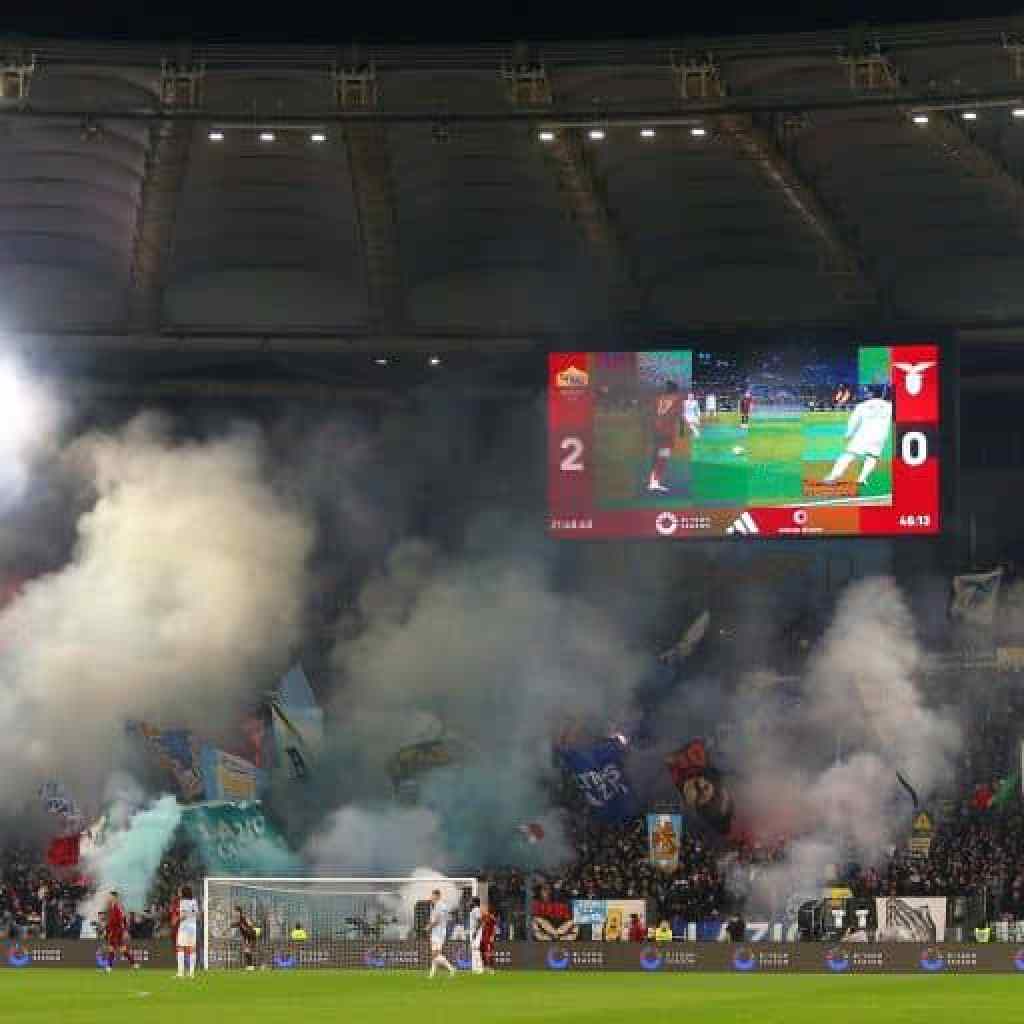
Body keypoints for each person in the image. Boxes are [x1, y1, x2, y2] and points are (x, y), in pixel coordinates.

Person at [823, 383, 892, 487]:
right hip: (880, 436)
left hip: (864, 435)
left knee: (849, 455)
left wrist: (848, 434)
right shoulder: (889, 406)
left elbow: (853, 422)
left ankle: (832, 477)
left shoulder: (862, 406)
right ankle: (862, 479)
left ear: (871, 393)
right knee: (872, 457)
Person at [647, 380, 683, 493]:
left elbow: (653, 413)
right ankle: (655, 483)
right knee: (663, 457)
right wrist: (681, 431)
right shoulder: (677, 400)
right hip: (667, 433)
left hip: (656, 431)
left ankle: (652, 481)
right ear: (675, 391)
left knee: (656, 456)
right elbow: (679, 416)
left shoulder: (659, 398)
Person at [426, 888, 456, 978]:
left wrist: (429, 927)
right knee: (434, 954)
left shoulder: (441, 906)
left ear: (437, 896)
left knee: (435, 954)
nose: (431, 897)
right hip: (435, 932)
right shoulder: (435, 905)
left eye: (433, 895)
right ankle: (431, 974)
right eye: (431, 895)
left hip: (439, 932)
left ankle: (451, 969)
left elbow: (438, 920)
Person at [104, 891, 137, 972]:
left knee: (113, 948)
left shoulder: (118, 907)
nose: (109, 898)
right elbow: (111, 920)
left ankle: (109, 967)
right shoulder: (111, 907)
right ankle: (134, 964)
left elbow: (122, 920)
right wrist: (107, 928)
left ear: (115, 898)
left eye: (110, 896)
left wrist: (124, 931)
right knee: (121, 949)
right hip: (114, 930)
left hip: (117, 931)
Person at [175, 885, 200, 979]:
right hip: (193, 927)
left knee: (180, 948)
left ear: (184, 893)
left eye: (180, 891)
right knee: (192, 949)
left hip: (184, 927)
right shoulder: (194, 902)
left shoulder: (182, 902)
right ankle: (191, 973)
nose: (179, 893)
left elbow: (183, 916)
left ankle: (181, 973)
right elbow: (197, 915)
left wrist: (177, 919)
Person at [235, 904, 259, 971]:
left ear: (239, 912)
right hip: (247, 937)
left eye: (236, 912)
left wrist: (248, 928)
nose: (235, 914)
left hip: (251, 936)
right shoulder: (239, 920)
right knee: (247, 951)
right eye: (235, 912)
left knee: (248, 950)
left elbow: (250, 924)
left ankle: (251, 966)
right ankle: (250, 966)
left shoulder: (243, 918)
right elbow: (237, 924)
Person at [480, 906, 497, 974]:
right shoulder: (485, 917)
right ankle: (485, 967)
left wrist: (492, 936)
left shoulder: (492, 919)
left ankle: (490, 968)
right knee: (483, 953)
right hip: (483, 938)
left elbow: (494, 929)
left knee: (488, 953)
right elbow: (482, 925)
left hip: (488, 939)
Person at [469, 897, 484, 975]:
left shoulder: (476, 909)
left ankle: (480, 968)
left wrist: (475, 931)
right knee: (474, 950)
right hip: (473, 932)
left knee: (476, 949)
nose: (470, 902)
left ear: (474, 902)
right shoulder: (473, 910)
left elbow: (480, 921)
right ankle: (475, 968)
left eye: (471, 901)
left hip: (476, 932)